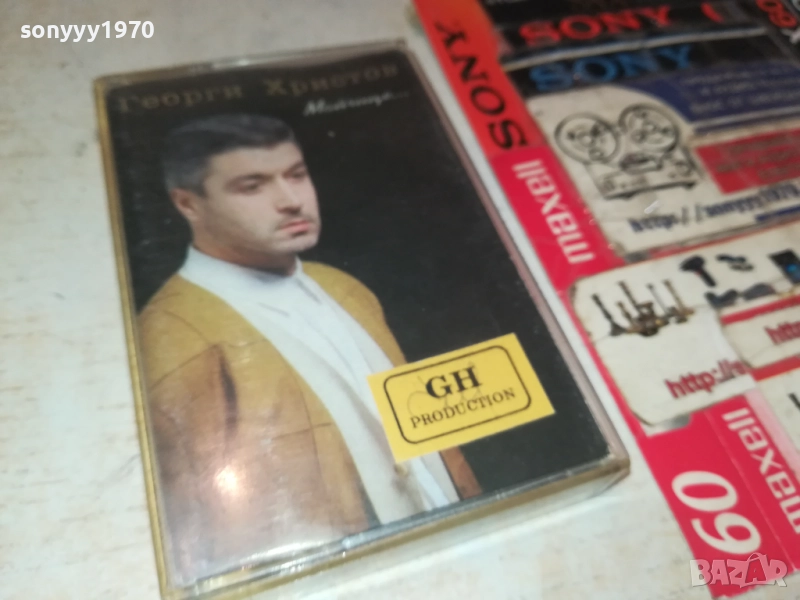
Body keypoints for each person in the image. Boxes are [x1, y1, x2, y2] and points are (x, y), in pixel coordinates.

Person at [138, 114, 481, 584]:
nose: (291, 200)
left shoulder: (344, 288)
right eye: (252, 186)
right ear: (188, 203)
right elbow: (215, 540)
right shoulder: (173, 336)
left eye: (296, 175)